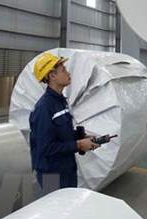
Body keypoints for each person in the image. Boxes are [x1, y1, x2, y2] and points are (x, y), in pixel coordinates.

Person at [29, 52, 98, 191]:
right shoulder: (44, 108)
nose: (68, 73)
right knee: (54, 204)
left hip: (67, 169)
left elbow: (61, 133)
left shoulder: (61, 101)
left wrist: (81, 137)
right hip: (51, 173)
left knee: (69, 203)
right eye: (63, 70)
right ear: (52, 76)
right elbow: (45, 147)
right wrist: (78, 145)